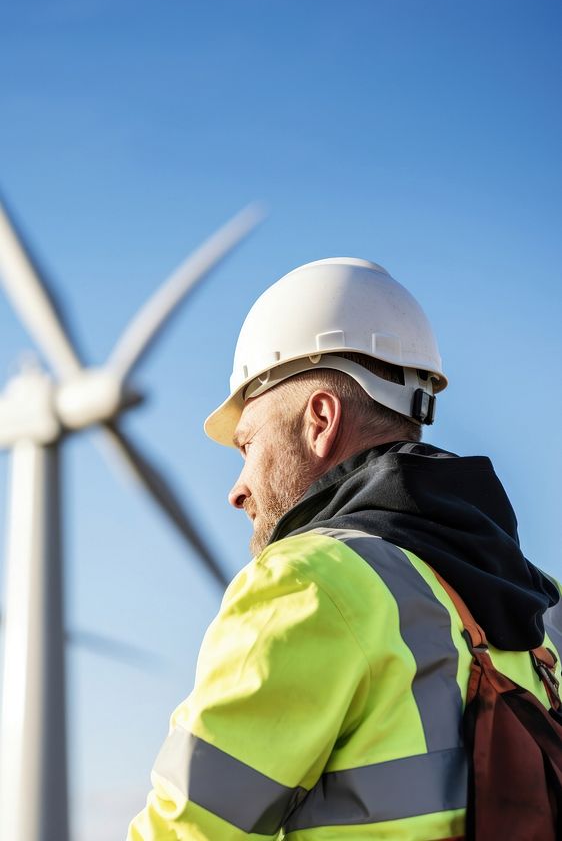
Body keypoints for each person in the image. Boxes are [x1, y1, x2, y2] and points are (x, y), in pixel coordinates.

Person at [127, 257, 562, 841]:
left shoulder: (309, 581)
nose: (237, 490)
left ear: (320, 420)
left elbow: (190, 832)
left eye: (247, 445)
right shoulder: (542, 607)